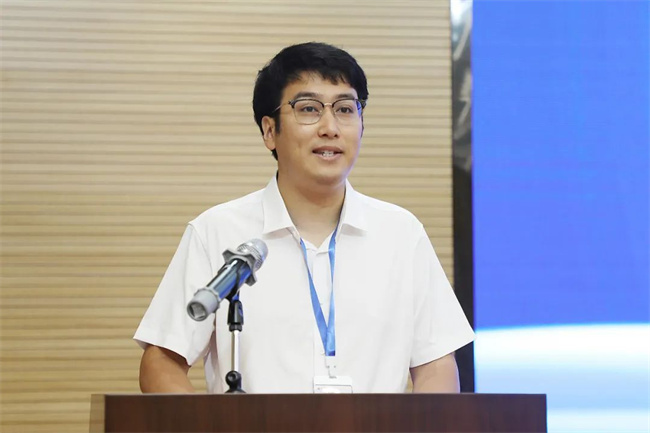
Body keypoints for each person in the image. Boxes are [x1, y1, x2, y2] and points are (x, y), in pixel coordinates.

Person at [134, 42, 474, 394]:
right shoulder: (218, 232)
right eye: (309, 109)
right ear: (269, 131)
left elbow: (436, 366)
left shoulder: (401, 234)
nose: (330, 127)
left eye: (345, 109)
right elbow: (163, 361)